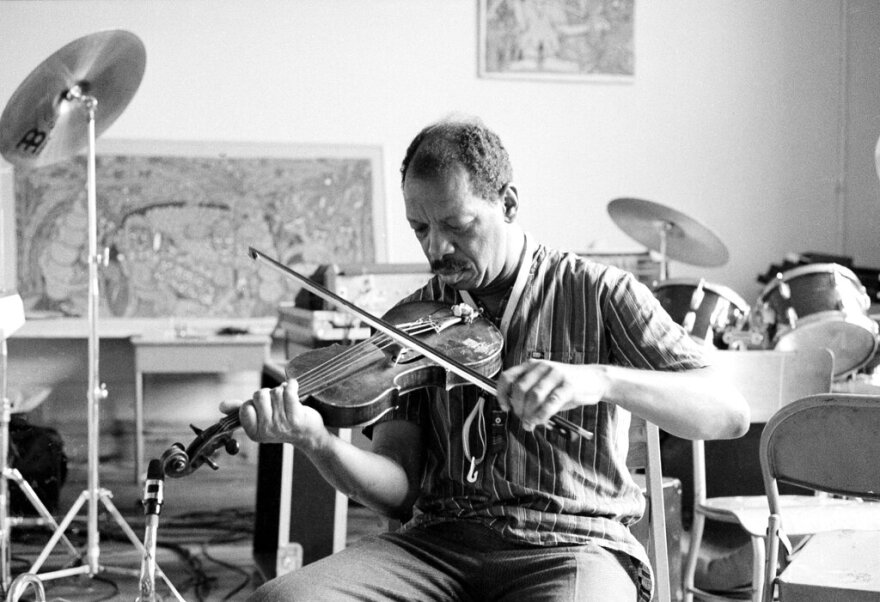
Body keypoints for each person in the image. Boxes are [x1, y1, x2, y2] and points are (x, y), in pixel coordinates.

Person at [230, 116, 750, 601]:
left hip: (571, 545)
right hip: (436, 546)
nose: (438, 248)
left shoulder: (598, 292)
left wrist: (600, 380)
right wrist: (317, 441)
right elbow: (398, 491)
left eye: (457, 225)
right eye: (421, 228)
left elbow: (728, 413)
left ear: (508, 204)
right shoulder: (406, 322)